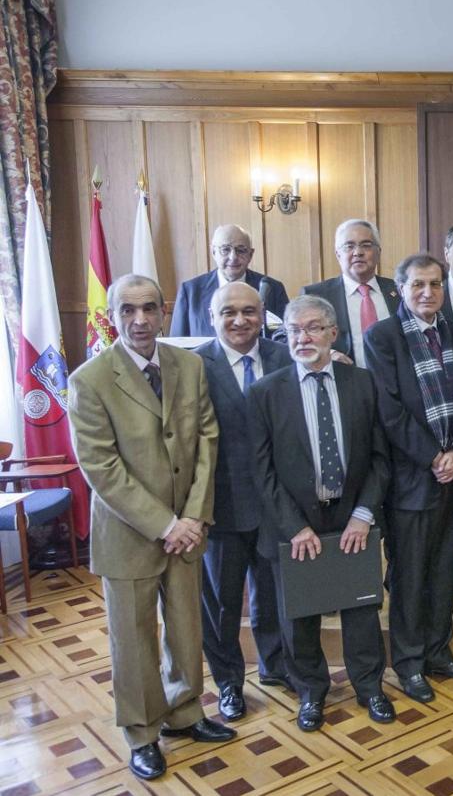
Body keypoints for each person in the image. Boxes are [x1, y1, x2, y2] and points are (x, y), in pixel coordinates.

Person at [68, 274, 235, 781]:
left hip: (187, 527)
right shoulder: (90, 380)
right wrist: (165, 523)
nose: (139, 320)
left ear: (164, 312)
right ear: (113, 316)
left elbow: (207, 438)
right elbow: (101, 468)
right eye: (128, 310)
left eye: (148, 309)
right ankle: (142, 732)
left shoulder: (189, 365)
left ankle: (185, 712)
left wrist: (193, 516)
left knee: (186, 625)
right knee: (134, 638)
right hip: (129, 533)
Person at [250, 295, 394, 732]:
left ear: (334, 333)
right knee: (300, 617)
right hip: (295, 525)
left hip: (352, 519)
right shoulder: (265, 392)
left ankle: (370, 686)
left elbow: (380, 459)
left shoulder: (362, 383)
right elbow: (262, 470)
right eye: (294, 330)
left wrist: (364, 514)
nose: (302, 337)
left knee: (361, 611)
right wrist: (294, 527)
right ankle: (311, 691)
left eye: (313, 328)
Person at [364, 254, 453, 705]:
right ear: (401, 289)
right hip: (412, 477)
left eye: (435, 284)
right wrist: (435, 456)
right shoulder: (383, 336)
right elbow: (389, 411)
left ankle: (437, 651)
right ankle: (408, 662)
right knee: (409, 576)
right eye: (418, 285)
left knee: (445, 570)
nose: (428, 293)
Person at [194, 282, 292, 723]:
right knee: (222, 603)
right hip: (220, 508)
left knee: (271, 595)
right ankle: (229, 683)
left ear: (263, 315)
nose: (239, 320)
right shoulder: (193, 364)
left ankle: (274, 666)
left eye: (249, 311)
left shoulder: (282, 356)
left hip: (274, 506)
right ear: (212, 317)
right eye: (229, 312)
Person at [302, 219, 400, 368]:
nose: (358, 252)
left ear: (378, 252)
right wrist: (330, 354)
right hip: (343, 382)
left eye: (366, 246)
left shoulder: (399, 290)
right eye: (349, 246)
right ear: (338, 255)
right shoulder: (316, 295)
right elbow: (287, 337)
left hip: (395, 384)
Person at [170, 224, 289, 338]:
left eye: (241, 250)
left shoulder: (271, 289)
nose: (233, 257)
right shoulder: (191, 291)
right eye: (225, 250)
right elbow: (177, 344)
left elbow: (284, 338)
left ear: (251, 254)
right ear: (213, 252)